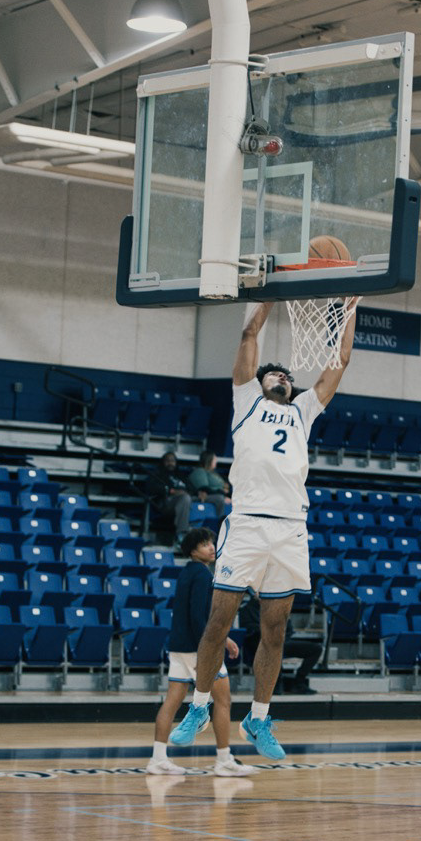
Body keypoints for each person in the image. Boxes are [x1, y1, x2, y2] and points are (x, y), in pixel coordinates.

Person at [168, 294, 360, 760]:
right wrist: (273, 294)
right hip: (248, 525)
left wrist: (350, 309)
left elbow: (340, 360)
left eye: (287, 376)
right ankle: (198, 706)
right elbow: (249, 333)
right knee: (219, 620)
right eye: (275, 374)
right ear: (258, 381)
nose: (283, 377)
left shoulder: (303, 411)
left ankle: (258, 717)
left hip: (291, 528)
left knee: (276, 630)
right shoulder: (246, 400)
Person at [145, 526, 254, 778]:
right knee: (223, 701)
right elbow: (198, 617)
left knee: (171, 702)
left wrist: (224, 639)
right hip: (199, 649)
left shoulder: (186, 572)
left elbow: (196, 617)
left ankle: (157, 759)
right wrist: (213, 645)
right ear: (193, 551)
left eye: (212, 543)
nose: (212, 547)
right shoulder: (204, 576)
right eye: (205, 544)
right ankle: (224, 760)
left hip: (179, 647)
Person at [239, 587, 323, 695]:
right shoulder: (247, 610)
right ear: (255, 594)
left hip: (281, 642)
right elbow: (249, 631)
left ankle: (299, 682)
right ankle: (275, 685)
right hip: (260, 645)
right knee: (274, 648)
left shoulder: (278, 608)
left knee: (316, 649)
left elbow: (289, 629)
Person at [144, 451, 191, 544]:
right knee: (185, 499)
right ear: (163, 462)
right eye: (167, 460)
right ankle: (181, 534)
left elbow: (191, 488)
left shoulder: (180, 475)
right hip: (166, 502)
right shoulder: (158, 474)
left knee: (196, 500)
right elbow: (150, 487)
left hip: (184, 499)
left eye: (172, 461)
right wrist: (171, 491)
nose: (170, 463)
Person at [187, 450, 230, 519]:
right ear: (209, 460)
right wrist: (223, 494)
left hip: (218, 494)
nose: (216, 461)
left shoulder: (213, 473)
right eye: (214, 459)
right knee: (220, 498)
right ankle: (220, 521)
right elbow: (204, 488)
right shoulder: (199, 471)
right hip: (203, 496)